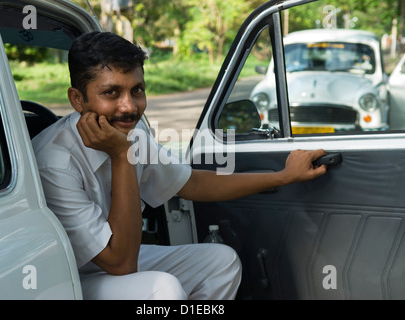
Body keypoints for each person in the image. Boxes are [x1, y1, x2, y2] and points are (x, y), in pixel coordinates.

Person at [32, 31, 327, 300]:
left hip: (114, 261)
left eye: (137, 90)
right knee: (163, 289)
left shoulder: (129, 133)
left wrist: (283, 176)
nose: (129, 107)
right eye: (111, 93)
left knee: (219, 262)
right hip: (67, 280)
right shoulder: (55, 162)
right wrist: (121, 157)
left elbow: (192, 184)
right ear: (77, 100)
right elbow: (120, 263)